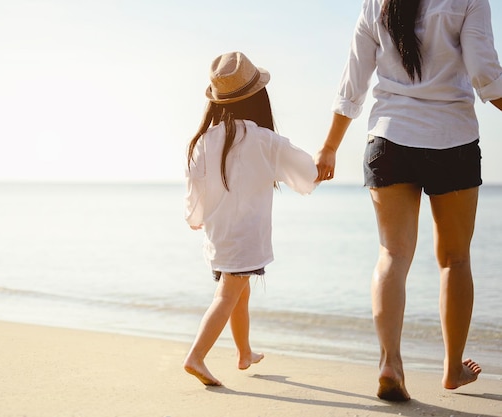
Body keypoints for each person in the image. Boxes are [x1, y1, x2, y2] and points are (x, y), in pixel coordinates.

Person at [315, 0, 502, 402]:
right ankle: (452, 369)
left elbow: (353, 82)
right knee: (455, 259)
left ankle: (390, 363)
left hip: (389, 138)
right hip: (451, 139)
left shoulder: (375, 2)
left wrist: (329, 147)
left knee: (392, 255)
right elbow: (485, 72)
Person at [183, 51, 318, 386]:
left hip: (218, 237)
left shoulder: (202, 142)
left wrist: (194, 217)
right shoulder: (263, 139)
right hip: (245, 239)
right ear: (258, 98)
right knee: (228, 296)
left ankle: (244, 352)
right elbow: (305, 172)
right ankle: (196, 357)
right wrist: (319, 171)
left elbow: (194, 191)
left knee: (239, 293)